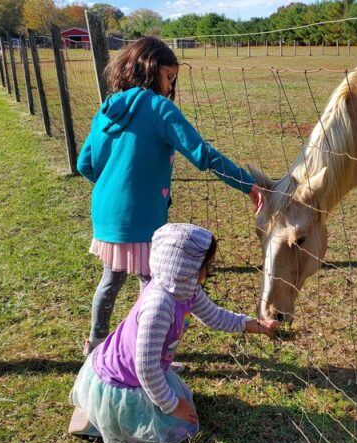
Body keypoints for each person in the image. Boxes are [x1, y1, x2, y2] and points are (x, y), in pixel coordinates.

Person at [77, 37, 264, 357]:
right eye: (169, 77)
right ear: (151, 70)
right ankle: (152, 352)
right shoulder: (160, 109)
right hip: (143, 218)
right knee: (155, 288)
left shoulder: (107, 109)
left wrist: (113, 185)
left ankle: (96, 344)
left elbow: (85, 164)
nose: (170, 86)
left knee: (112, 280)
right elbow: (202, 154)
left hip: (106, 216)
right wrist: (246, 183)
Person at [68, 223, 280, 443]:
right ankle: (101, 420)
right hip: (124, 378)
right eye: (207, 264)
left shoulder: (186, 290)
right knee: (171, 427)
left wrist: (256, 325)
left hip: (147, 368)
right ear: (187, 267)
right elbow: (146, 369)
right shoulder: (159, 306)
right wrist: (172, 405)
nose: (211, 268)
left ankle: (101, 417)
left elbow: (215, 316)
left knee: (175, 411)